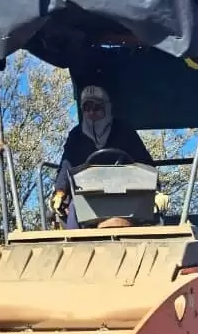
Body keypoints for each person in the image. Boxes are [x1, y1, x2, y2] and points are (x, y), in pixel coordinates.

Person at [50, 85, 156, 228]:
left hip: (125, 193)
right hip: (89, 195)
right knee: (73, 207)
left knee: (149, 211)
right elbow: (67, 164)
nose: (92, 112)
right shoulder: (76, 135)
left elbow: (145, 163)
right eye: (87, 107)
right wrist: (60, 190)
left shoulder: (125, 131)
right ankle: (75, 245)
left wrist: (156, 190)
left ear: (107, 108)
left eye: (97, 107)